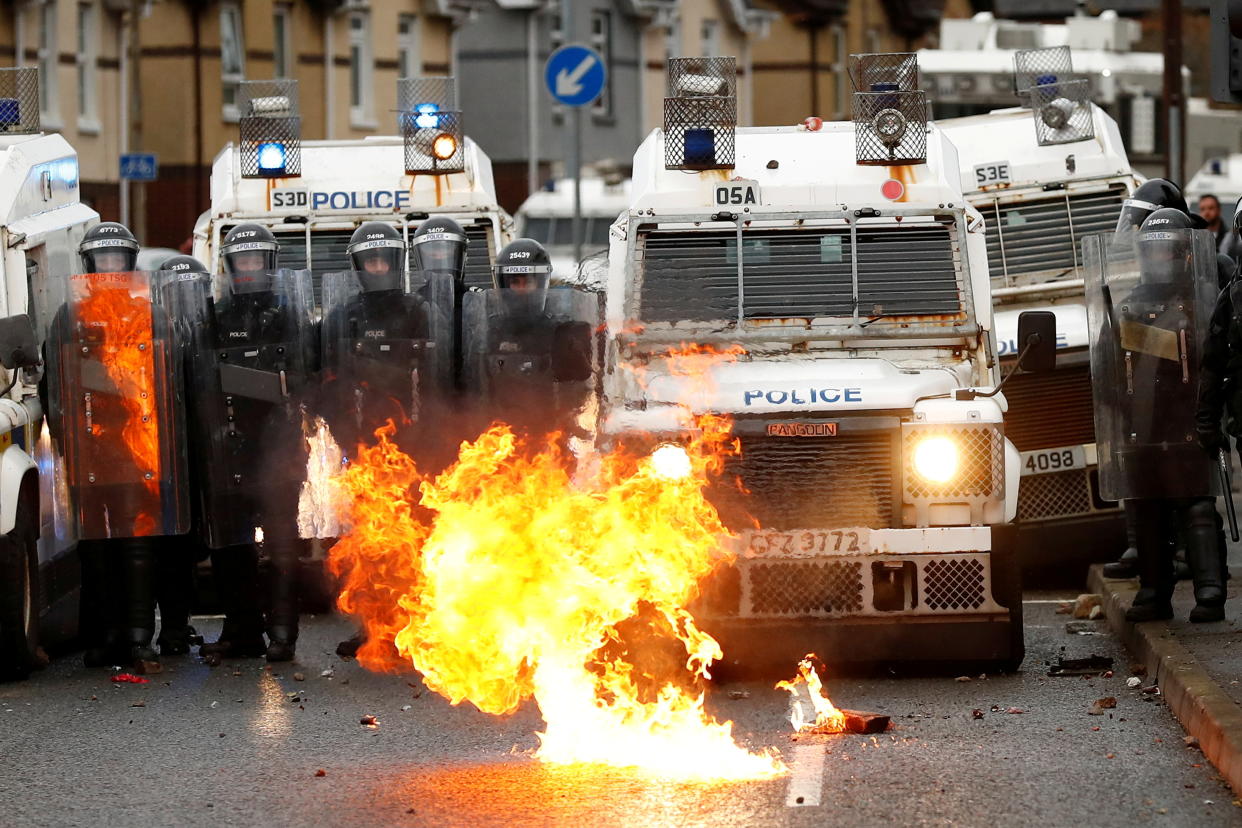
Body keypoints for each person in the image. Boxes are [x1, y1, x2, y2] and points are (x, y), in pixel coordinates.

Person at [45, 222, 193, 667]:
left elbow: (170, 386)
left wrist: (163, 448)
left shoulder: (152, 315)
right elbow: (56, 387)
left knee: (138, 545)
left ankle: (138, 634)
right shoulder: (68, 319)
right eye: (101, 261)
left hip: (139, 449)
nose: (109, 270)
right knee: (96, 547)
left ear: (129, 263)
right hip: (92, 450)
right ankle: (105, 633)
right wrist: (68, 445)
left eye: (116, 261)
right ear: (88, 265)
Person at [325, 222, 457, 659]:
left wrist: (432, 434)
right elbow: (327, 379)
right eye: (370, 260)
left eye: (384, 259)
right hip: (363, 446)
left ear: (397, 262)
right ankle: (373, 627)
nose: (378, 267)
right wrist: (343, 431)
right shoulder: (344, 315)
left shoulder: (419, 311)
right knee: (367, 543)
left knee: (416, 538)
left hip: (414, 443)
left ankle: (418, 626)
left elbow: (438, 379)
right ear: (359, 266)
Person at [188, 224, 316, 662]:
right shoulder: (214, 317)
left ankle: (283, 633)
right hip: (229, 445)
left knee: (282, 543)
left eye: (256, 260)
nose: (249, 269)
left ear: (269, 263)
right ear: (229, 265)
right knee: (232, 544)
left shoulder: (290, 317)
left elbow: (308, 378)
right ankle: (242, 632)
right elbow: (198, 381)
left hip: (279, 448)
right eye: (242, 261)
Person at [1090, 208, 1224, 623]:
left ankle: (1210, 591)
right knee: (1147, 508)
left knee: (1196, 505)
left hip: (1187, 421)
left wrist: (1210, 416)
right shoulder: (1130, 305)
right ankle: (1153, 592)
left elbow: (1216, 361)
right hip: (1144, 427)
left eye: (1168, 252)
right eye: (1154, 252)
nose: (1159, 260)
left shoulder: (1204, 300)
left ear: (1184, 254)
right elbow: (1109, 366)